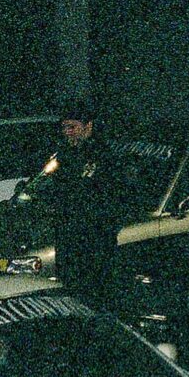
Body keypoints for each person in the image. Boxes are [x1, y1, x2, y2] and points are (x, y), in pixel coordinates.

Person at [48, 98, 115, 296]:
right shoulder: (64, 155)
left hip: (93, 236)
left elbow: (107, 196)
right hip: (68, 233)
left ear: (88, 127)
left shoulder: (103, 155)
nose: (68, 132)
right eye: (65, 127)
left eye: (73, 127)